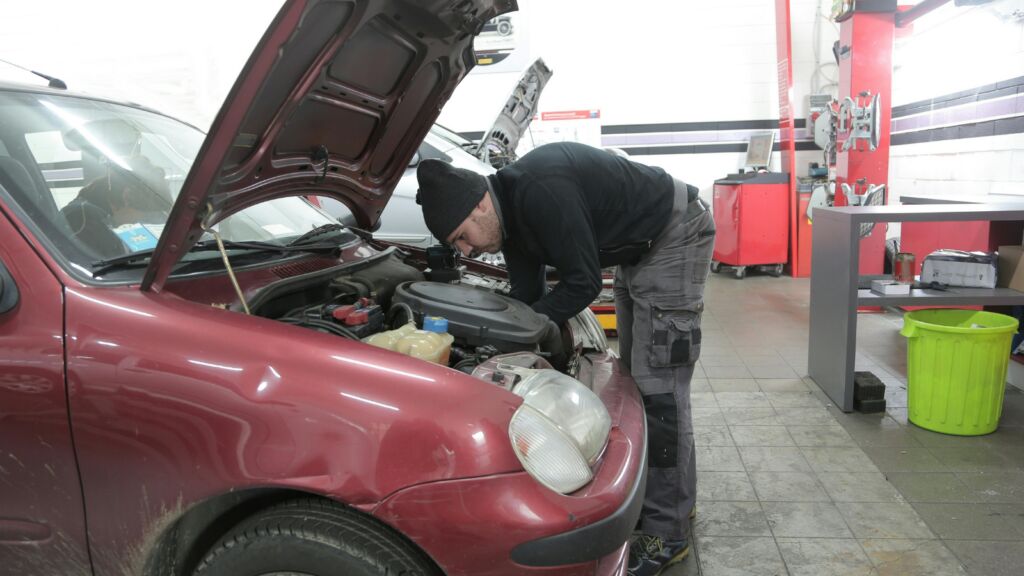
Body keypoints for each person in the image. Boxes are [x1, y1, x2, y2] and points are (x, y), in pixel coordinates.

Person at [415, 141, 715, 576]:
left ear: (479, 205)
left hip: (674, 233)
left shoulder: (540, 190)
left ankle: (667, 534)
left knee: (659, 392)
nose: (465, 251)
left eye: (461, 236)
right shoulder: (509, 220)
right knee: (643, 384)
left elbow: (583, 283)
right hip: (640, 248)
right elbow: (528, 296)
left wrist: (535, 327)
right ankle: (675, 505)